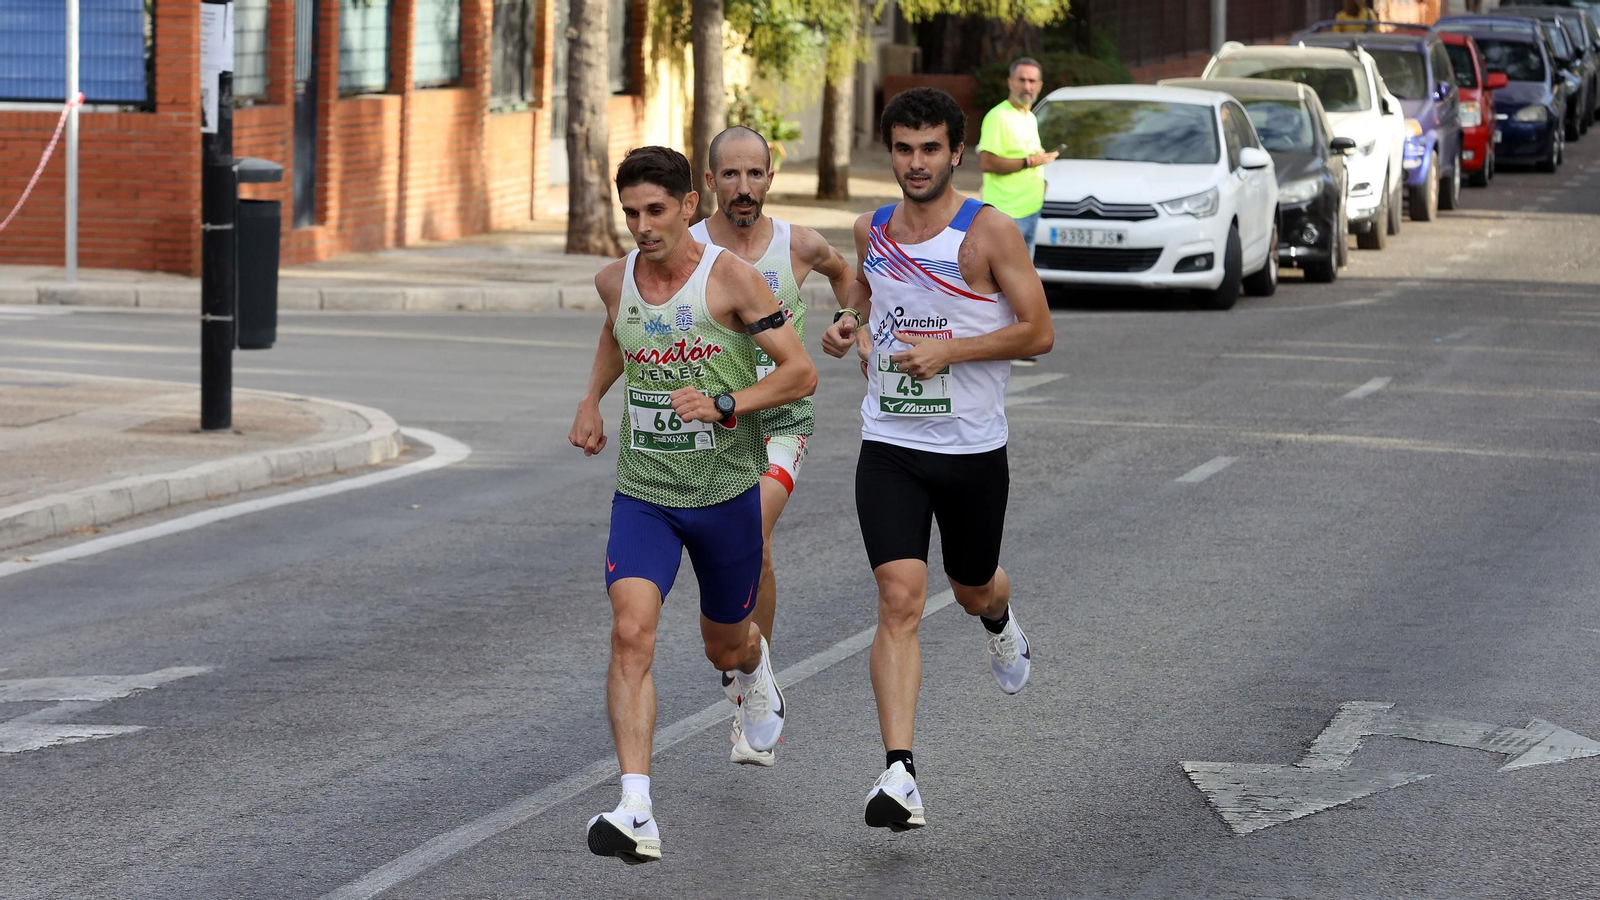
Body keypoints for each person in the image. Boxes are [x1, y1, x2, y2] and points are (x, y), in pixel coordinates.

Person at [569, 145, 818, 865]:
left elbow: (799, 373)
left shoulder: (731, 279)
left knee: (725, 642)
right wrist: (590, 401)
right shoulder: (615, 278)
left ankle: (754, 667)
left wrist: (725, 402)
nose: (642, 226)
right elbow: (618, 335)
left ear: (686, 207)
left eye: (655, 211)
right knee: (630, 633)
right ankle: (637, 806)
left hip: (724, 494)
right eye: (630, 213)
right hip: (644, 492)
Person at [820, 88, 1054, 833]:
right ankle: (900, 773)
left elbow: (1039, 331)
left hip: (972, 449)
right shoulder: (872, 227)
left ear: (957, 152)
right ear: (888, 152)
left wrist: (953, 349)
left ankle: (1000, 619)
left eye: (930, 149)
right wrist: (849, 320)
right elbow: (866, 283)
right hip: (890, 443)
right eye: (902, 149)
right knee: (899, 599)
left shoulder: (989, 234)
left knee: (972, 582)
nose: (915, 163)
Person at [690, 125, 853, 767]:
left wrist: (851, 321)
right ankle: (749, 663)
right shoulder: (689, 247)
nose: (743, 188)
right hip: (711, 430)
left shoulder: (800, 245)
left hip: (782, 420)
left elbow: (851, 280)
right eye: (729, 175)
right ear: (709, 183)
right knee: (740, 554)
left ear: (769, 178)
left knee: (750, 536)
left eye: (754, 174)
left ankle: (752, 689)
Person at [976, 57, 1055, 262]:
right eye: (1022, 80)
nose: (1027, 86)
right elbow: (987, 162)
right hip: (1007, 214)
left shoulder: (1029, 117)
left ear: (1040, 86)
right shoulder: (998, 116)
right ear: (1010, 82)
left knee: (1021, 279)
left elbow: (1023, 155)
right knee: (1006, 281)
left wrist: (1040, 180)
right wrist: (1030, 162)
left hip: (1030, 209)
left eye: (1032, 81)